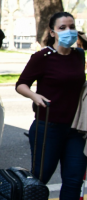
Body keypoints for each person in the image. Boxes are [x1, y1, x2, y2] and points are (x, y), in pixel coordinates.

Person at [16, 12, 86, 200]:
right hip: (48, 127)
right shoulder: (43, 57)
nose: (68, 31)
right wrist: (34, 96)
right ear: (52, 32)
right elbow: (21, 84)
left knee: (74, 180)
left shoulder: (79, 55)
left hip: (76, 130)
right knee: (39, 180)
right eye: (62, 28)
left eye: (71, 27)